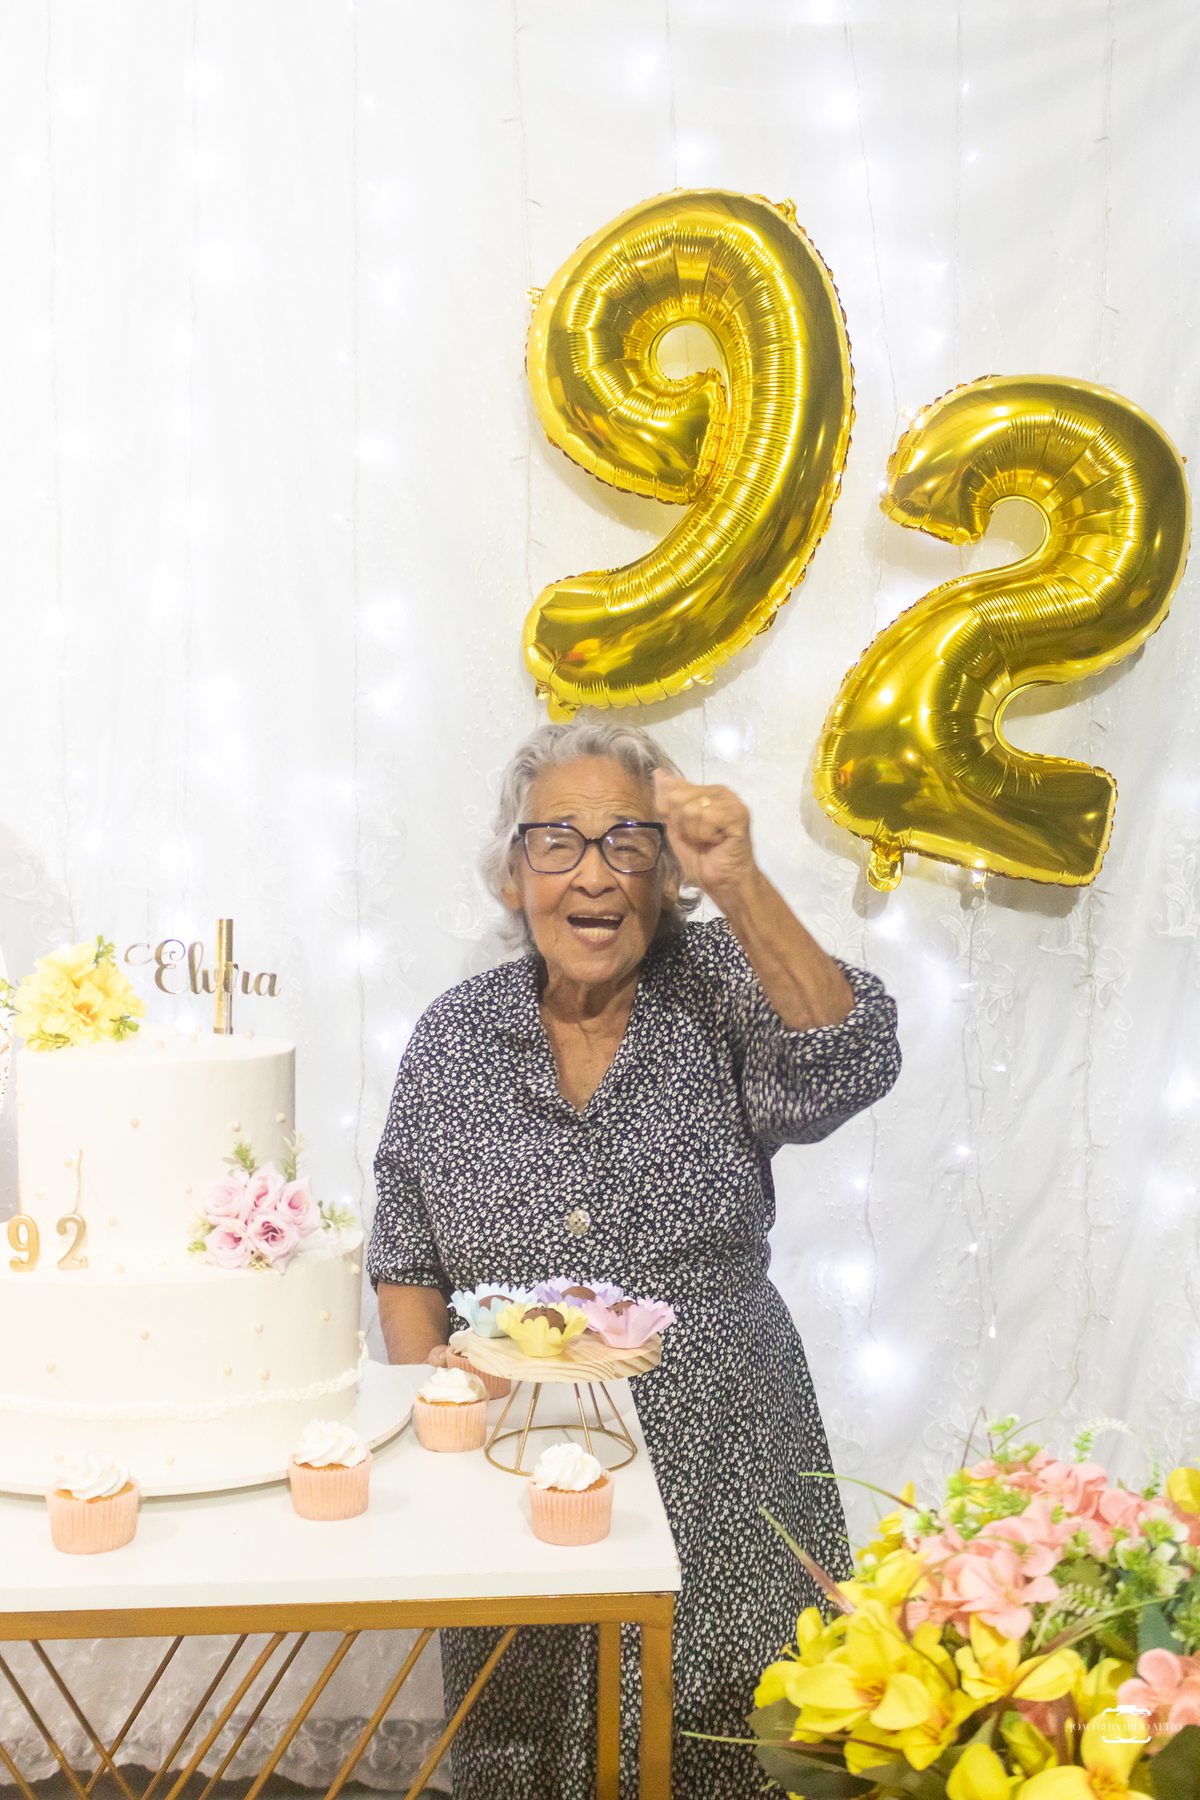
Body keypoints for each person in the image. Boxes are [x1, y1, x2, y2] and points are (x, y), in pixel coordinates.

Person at [367, 717, 901, 1800]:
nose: (593, 873)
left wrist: (742, 881)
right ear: (514, 875)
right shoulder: (453, 1037)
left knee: (735, 1750)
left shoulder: (719, 989)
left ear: (665, 879)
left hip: (727, 1457)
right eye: (556, 842)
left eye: (628, 844)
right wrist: (441, 1425)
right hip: (518, 1464)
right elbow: (404, 1246)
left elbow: (854, 1059)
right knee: (528, 1751)